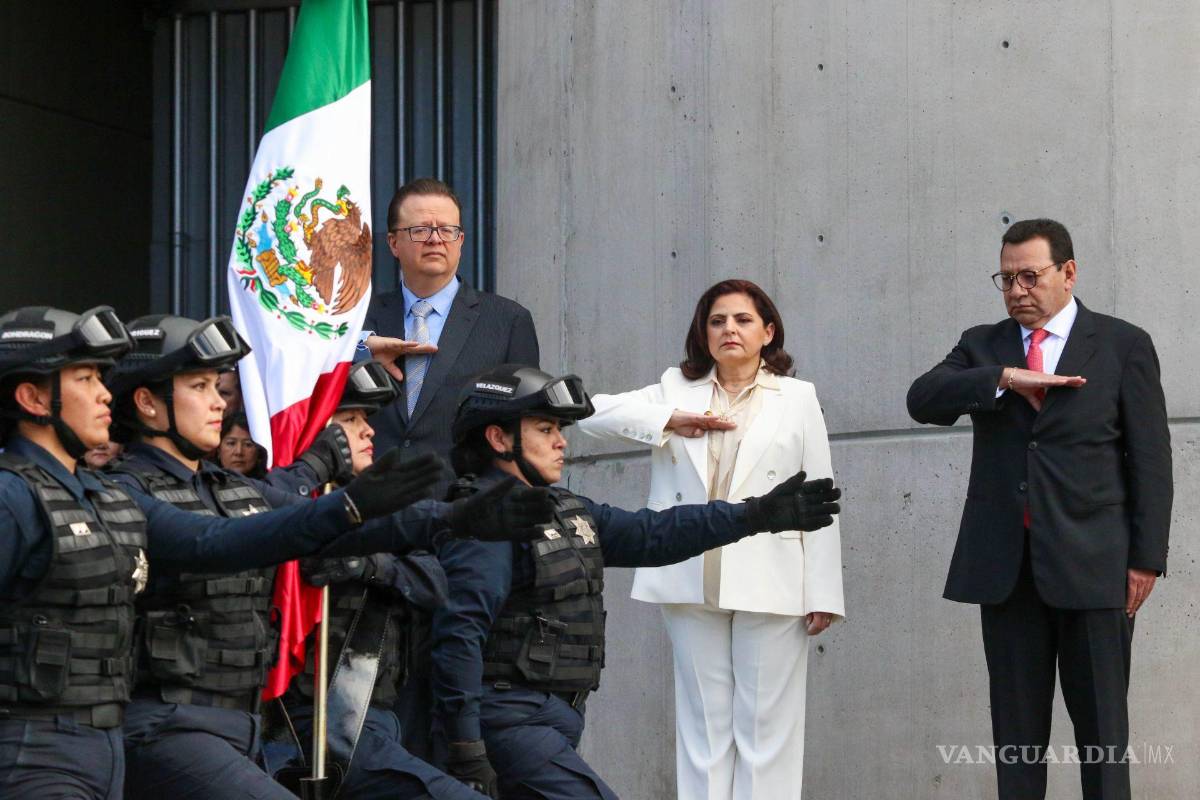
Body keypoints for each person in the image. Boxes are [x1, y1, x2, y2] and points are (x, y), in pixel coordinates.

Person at [0, 304, 514, 798]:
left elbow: (297, 528)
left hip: (155, 735)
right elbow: (216, 542)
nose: (221, 402)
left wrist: (445, 519)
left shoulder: (107, 496)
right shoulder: (36, 494)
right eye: (85, 380)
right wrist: (347, 506)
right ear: (33, 397)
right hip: (124, 731)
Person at [429, 364, 843, 799]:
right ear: (498, 439)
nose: (561, 441)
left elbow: (652, 534)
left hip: (553, 718)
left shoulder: (560, 507)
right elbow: (459, 636)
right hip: (505, 719)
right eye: (545, 428)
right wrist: (465, 747)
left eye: (559, 428)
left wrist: (753, 515)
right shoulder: (486, 521)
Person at [906, 218, 1172, 800]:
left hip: (1096, 569)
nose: (1017, 290)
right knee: (1017, 745)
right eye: (1006, 279)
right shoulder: (984, 345)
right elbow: (922, 399)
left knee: (1104, 742)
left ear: (1068, 272)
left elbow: (1151, 460)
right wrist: (1000, 377)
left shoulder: (1123, 344)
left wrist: (1147, 559)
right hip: (1008, 572)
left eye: (1030, 275)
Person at [576, 278, 845, 799]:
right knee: (702, 730)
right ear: (703, 332)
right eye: (717, 320)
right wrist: (667, 419)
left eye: (743, 320)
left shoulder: (797, 396)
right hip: (687, 572)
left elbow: (820, 497)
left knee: (767, 731)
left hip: (774, 575)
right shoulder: (675, 389)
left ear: (768, 332)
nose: (729, 329)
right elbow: (590, 415)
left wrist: (823, 592)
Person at [283, 358, 551, 800]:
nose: (369, 431)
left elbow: (434, 581)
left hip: (382, 714)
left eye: (366, 419)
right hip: (309, 724)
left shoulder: (382, 502)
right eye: (350, 419)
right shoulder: (280, 511)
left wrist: (370, 566)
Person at [363, 177, 540, 497]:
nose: (435, 239)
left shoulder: (507, 321)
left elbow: (522, 429)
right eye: (420, 230)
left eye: (447, 230)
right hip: (371, 509)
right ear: (392, 243)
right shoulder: (357, 320)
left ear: (460, 240)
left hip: (464, 510)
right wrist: (361, 350)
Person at [218, 412, 265, 478]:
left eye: (248, 444)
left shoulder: (272, 485)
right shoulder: (203, 484)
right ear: (218, 450)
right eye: (231, 443)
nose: (239, 452)